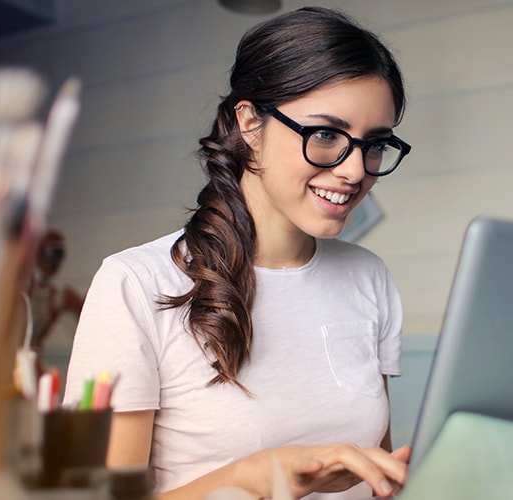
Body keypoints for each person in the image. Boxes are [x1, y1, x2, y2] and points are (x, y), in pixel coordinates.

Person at [64, 7, 412, 499]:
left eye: (374, 144)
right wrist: (252, 478)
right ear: (250, 123)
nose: (355, 171)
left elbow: (378, 477)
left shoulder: (368, 277)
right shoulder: (135, 284)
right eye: (327, 135)